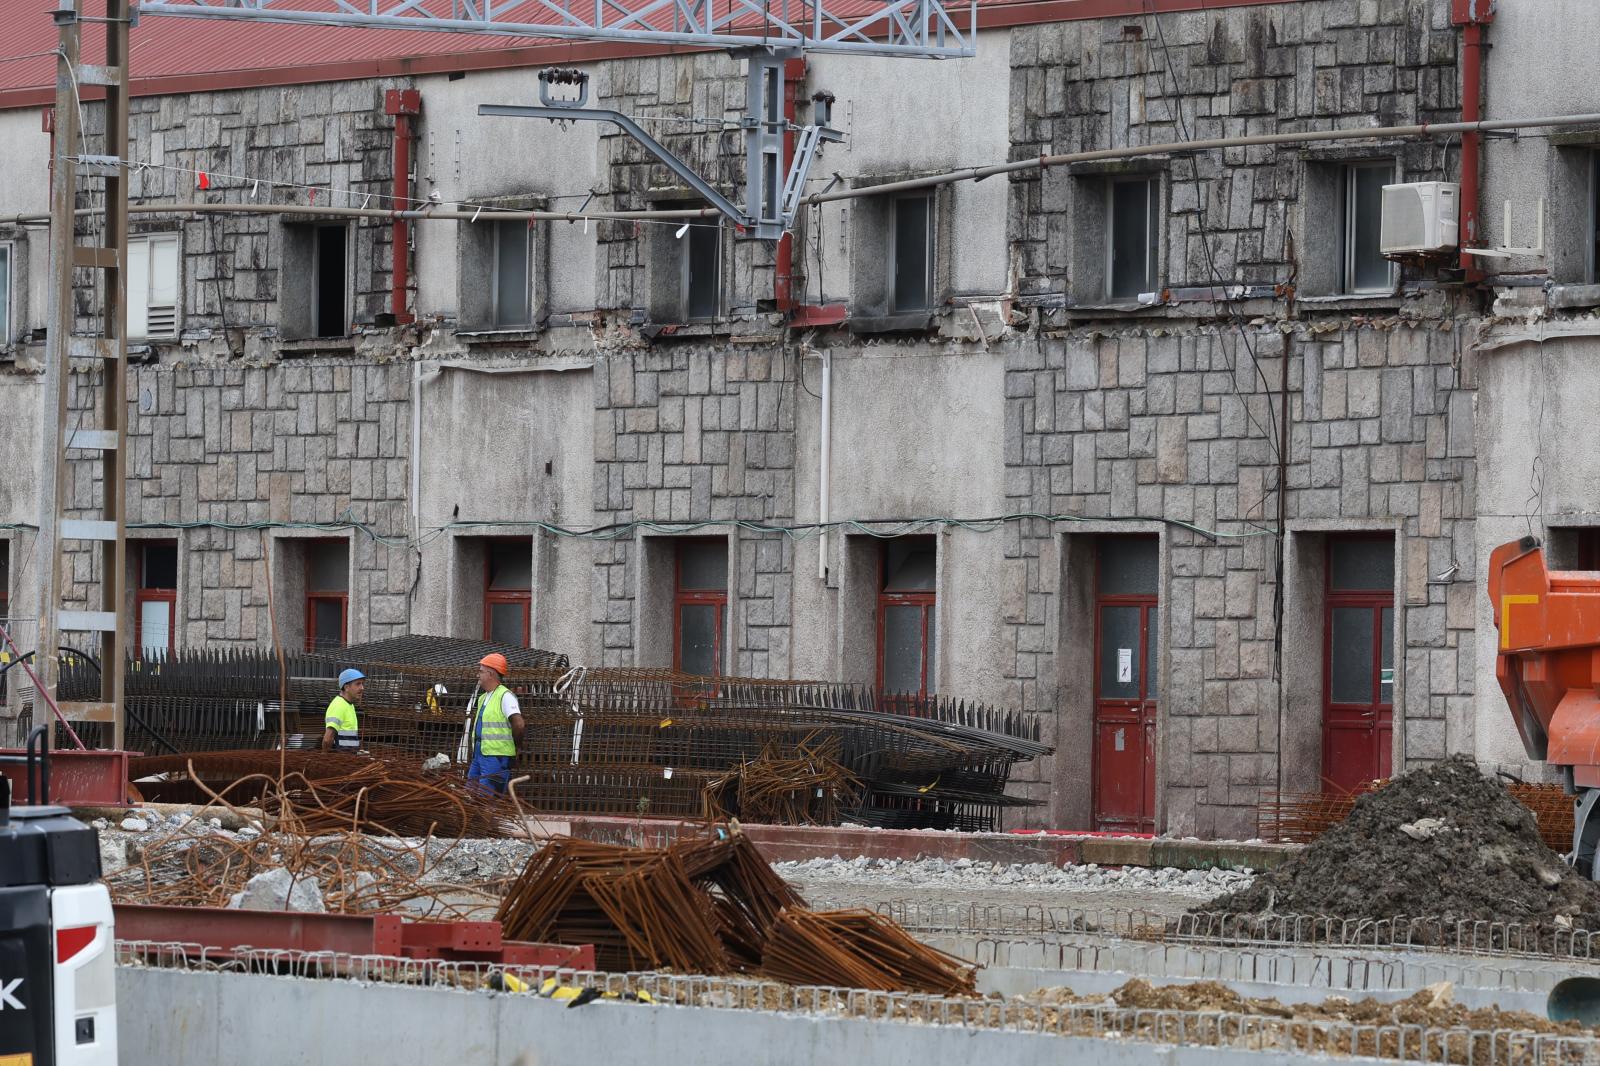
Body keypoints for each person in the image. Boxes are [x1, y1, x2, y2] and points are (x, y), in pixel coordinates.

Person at [467, 652, 524, 794]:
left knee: (486, 799)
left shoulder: (505, 696)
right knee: (470, 795)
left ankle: (487, 817)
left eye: (481, 671)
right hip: (480, 756)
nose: (477, 675)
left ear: (491, 674)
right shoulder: (482, 698)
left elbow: (519, 724)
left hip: (496, 758)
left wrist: (516, 747)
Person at [323, 668, 365, 752]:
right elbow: (327, 739)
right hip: (340, 759)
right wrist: (325, 758)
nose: (362, 688)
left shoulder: (349, 705)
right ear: (346, 687)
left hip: (348, 757)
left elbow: (347, 737)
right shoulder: (339, 705)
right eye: (358, 684)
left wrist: (356, 751)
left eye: (362, 684)